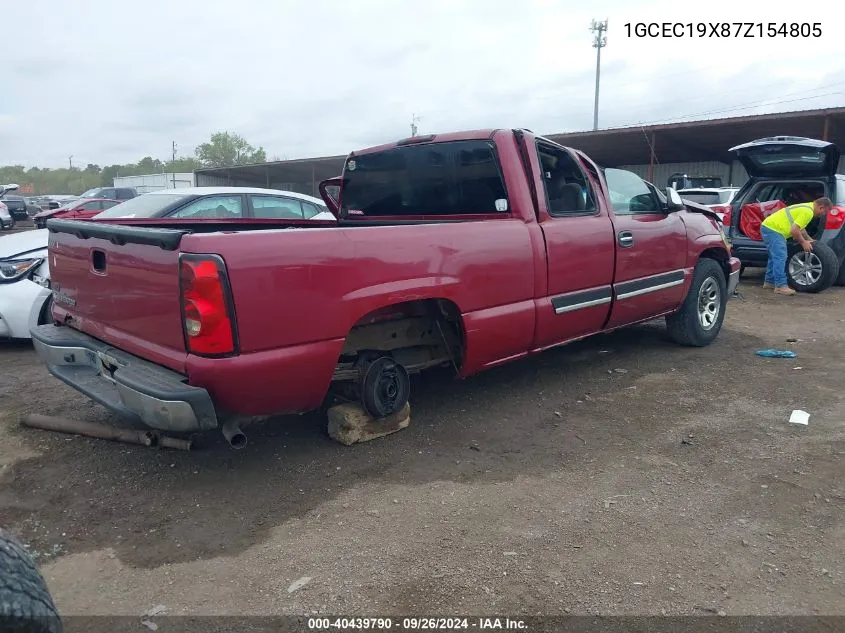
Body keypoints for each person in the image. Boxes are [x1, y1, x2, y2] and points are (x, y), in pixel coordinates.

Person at [760, 197, 833, 295]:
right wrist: (803, 242)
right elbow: (794, 230)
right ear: (821, 207)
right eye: (824, 212)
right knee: (780, 257)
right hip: (774, 229)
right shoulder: (808, 212)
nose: (823, 215)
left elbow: (801, 228)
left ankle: (769, 282)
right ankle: (780, 286)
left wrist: (809, 240)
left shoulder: (808, 206)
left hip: (769, 227)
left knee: (775, 257)